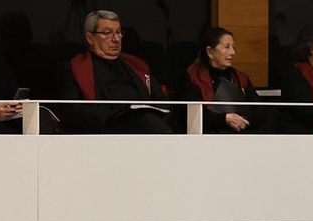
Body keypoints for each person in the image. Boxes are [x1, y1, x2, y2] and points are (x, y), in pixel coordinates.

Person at [58, 10, 172, 146]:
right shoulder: (74, 69)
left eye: (118, 32)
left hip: (146, 131)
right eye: (107, 33)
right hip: (102, 136)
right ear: (90, 38)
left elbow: (162, 101)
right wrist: (119, 116)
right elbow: (73, 113)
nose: (116, 39)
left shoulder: (137, 66)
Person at [178, 27, 256, 137]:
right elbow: (190, 116)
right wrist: (225, 119)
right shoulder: (193, 78)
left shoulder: (241, 77)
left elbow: (259, 109)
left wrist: (243, 120)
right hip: (207, 138)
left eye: (233, 47)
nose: (233, 52)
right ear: (210, 52)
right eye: (227, 47)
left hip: (243, 135)